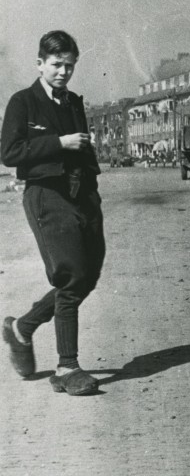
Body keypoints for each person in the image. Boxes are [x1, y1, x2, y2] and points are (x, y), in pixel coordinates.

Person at [0, 30, 104, 396]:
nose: (63, 72)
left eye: (70, 66)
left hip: (83, 195)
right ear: (40, 64)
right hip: (47, 195)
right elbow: (9, 153)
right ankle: (67, 366)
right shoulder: (23, 102)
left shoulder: (73, 102)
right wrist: (59, 143)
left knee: (88, 275)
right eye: (57, 65)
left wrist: (92, 191)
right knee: (71, 275)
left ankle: (23, 328)